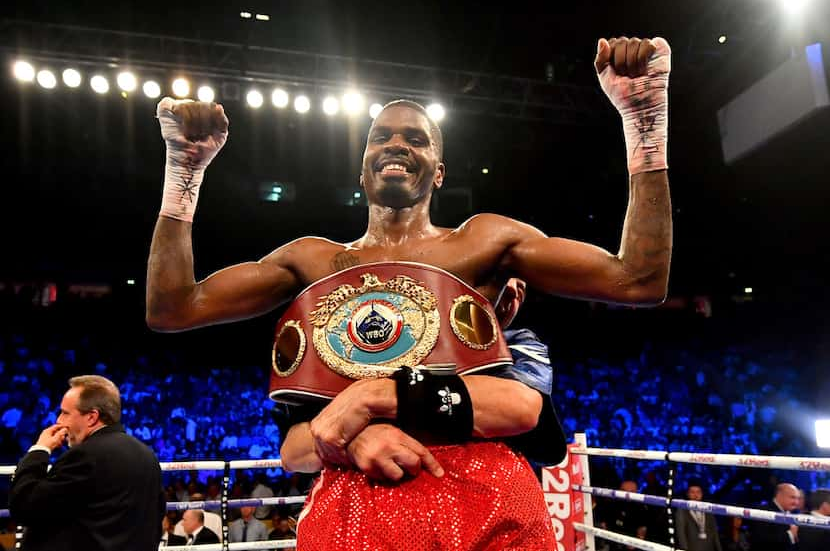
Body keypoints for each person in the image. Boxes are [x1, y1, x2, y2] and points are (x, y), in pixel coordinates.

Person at [147, 36, 672, 549]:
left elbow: (637, 279)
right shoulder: (310, 259)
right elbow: (173, 308)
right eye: (381, 137)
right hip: (354, 500)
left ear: (438, 172)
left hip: (485, 494)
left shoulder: (485, 240)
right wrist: (184, 172)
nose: (397, 145)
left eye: (416, 139)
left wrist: (644, 123)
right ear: (362, 168)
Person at [8, 375, 165, 551]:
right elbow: (156, 517)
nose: (59, 420)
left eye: (65, 413)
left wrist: (40, 450)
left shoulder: (85, 455)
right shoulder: (148, 455)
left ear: (91, 417)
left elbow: (24, 506)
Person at [749, 483, 801, 551]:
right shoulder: (764, 511)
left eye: (798, 498)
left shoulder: (794, 513)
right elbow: (763, 541)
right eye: (792, 497)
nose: (796, 502)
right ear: (779, 495)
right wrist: (790, 535)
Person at [674, 482, 722, 551]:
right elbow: (681, 534)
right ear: (687, 494)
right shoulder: (682, 511)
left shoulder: (708, 509)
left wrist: (719, 549)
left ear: (702, 494)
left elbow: (715, 532)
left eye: (698, 492)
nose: (695, 495)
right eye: (692, 492)